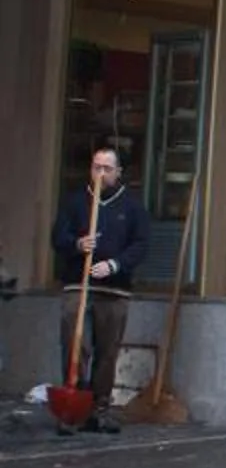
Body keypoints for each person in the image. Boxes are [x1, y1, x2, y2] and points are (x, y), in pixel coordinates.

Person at [51, 141, 150, 434]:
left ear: (118, 172)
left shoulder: (132, 206)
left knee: (107, 353)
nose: (101, 173)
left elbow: (141, 245)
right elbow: (57, 238)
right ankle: (74, 409)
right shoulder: (75, 201)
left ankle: (100, 410)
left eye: (107, 168)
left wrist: (115, 265)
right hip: (78, 286)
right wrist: (77, 244)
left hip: (114, 290)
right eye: (97, 167)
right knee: (75, 347)